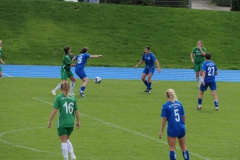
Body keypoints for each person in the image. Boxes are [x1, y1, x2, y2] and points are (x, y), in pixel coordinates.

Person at [48, 81, 80, 160]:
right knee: (66, 139)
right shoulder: (73, 98)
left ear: (61, 88)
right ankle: (72, 156)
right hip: (71, 122)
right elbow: (76, 111)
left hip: (62, 122)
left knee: (63, 142)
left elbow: (54, 111)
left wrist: (50, 121)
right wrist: (78, 121)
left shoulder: (58, 98)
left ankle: (66, 158)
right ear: (69, 88)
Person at [159, 89, 190, 160]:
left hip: (172, 129)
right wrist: (183, 125)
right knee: (184, 147)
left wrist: (161, 131)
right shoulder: (179, 103)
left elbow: (164, 119)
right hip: (181, 128)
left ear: (166, 96)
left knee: (172, 148)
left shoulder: (165, 106)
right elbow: (183, 116)